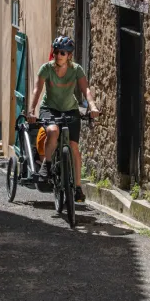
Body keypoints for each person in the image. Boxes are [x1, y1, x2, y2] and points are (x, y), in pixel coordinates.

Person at [27, 36, 99, 202]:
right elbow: (37, 90)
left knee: (74, 147)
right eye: (56, 52)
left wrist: (93, 106)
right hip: (49, 108)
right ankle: (47, 165)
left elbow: (86, 89)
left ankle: (78, 188)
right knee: (53, 131)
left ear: (69, 55)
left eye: (63, 53)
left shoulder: (76, 70)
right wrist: (31, 110)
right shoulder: (46, 69)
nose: (58, 55)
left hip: (70, 109)